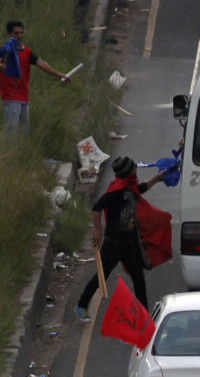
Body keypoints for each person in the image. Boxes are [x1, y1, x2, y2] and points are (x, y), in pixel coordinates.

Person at [74, 156, 166, 323]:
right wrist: (98, 231)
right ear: (128, 172)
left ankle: (144, 315)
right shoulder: (117, 189)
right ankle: (81, 305)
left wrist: (158, 178)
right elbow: (97, 207)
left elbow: (141, 188)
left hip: (129, 243)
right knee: (101, 276)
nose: (136, 170)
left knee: (138, 278)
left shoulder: (128, 188)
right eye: (134, 168)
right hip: (113, 243)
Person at [0, 21, 69, 139]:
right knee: (10, 135)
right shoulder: (4, 51)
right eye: (16, 33)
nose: (19, 36)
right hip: (10, 97)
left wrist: (59, 75)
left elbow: (41, 64)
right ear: (9, 34)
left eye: (21, 33)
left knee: (23, 134)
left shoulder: (26, 51)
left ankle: (22, 155)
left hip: (24, 97)